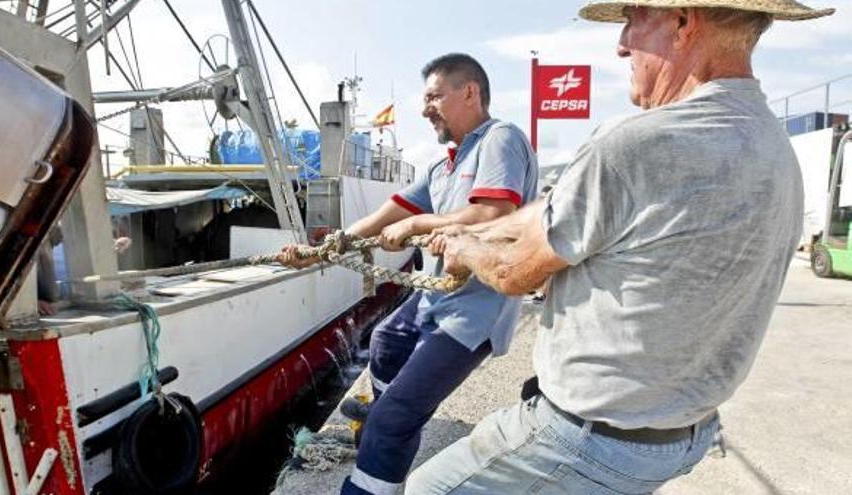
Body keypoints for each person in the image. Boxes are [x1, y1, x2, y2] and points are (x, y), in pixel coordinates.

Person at [406, 1, 833, 493]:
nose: (622, 43)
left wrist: (464, 246)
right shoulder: (773, 147)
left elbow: (515, 273)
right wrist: (491, 230)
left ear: (681, 22)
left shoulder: (636, 143)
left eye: (634, 18)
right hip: (683, 434)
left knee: (427, 488)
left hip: (588, 440)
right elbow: (558, 213)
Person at [277, 53, 538, 494]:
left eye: (435, 95)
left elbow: (495, 212)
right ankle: (379, 415)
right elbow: (389, 212)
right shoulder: (444, 166)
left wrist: (417, 225)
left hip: (474, 308)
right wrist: (324, 249)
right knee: (386, 340)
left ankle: (376, 455)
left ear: (470, 92)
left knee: (394, 419)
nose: (425, 108)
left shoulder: (500, 139)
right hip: (435, 299)